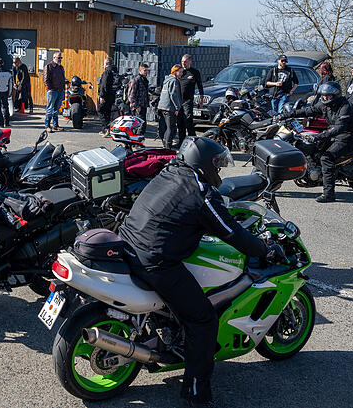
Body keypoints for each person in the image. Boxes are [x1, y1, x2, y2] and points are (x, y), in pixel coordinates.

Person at [118, 137, 278, 407]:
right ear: (203, 164)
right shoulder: (202, 192)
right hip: (156, 261)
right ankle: (196, 393)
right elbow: (231, 233)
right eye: (217, 163)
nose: (219, 168)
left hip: (129, 243)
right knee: (203, 320)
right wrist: (264, 249)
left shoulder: (169, 172)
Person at [277, 81, 353, 203]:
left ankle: (329, 194)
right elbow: (309, 110)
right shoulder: (325, 104)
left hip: (348, 137)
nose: (325, 97)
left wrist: (319, 136)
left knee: (326, 158)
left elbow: (339, 128)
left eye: (328, 96)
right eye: (323, 95)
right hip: (334, 134)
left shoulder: (345, 107)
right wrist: (286, 115)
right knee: (314, 149)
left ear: (335, 95)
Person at [178, 54, 205, 143]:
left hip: (188, 100)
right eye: (182, 61)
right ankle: (181, 141)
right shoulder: (180, 72)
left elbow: (200, 86)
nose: (183, 63)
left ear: (190, 61)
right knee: (180, 122)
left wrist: (201, 100)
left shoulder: (194, 72)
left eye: (185, 62)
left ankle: (193, 140)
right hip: (178, 100)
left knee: (188, 120)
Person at [157, 65, 184, 149]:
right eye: (180, 72)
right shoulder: (174, 81)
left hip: (162, 106)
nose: (181, 74)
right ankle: (167, 146)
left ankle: (165, 144)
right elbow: (174, 95)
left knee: (166, 127)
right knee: (171, 128)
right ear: (175, 72)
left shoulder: (167, 80)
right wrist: (177, 107)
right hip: (169, 107)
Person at [43, 52, 66, 132]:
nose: (60, 59)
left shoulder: (60, 67)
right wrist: (48, 89)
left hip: (60, 90)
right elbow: (46, 79)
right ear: (54, 58)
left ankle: (55, 125)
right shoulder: (48, 66)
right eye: (58, 58)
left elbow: (62, 78)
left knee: (56, 109)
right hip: (52, 91)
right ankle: (47, 125)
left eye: (61, 58)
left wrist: (63, 88)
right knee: (50, 108)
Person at [97, 58, 118, 137]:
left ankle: (106, 128)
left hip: (106, 95)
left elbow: (104, 85)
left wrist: (102, 96)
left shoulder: (107, 72)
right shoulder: (115, 72)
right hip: (112, 95)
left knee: (100, 110)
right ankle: (106, 128)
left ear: (106, 64)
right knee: (108, 112)